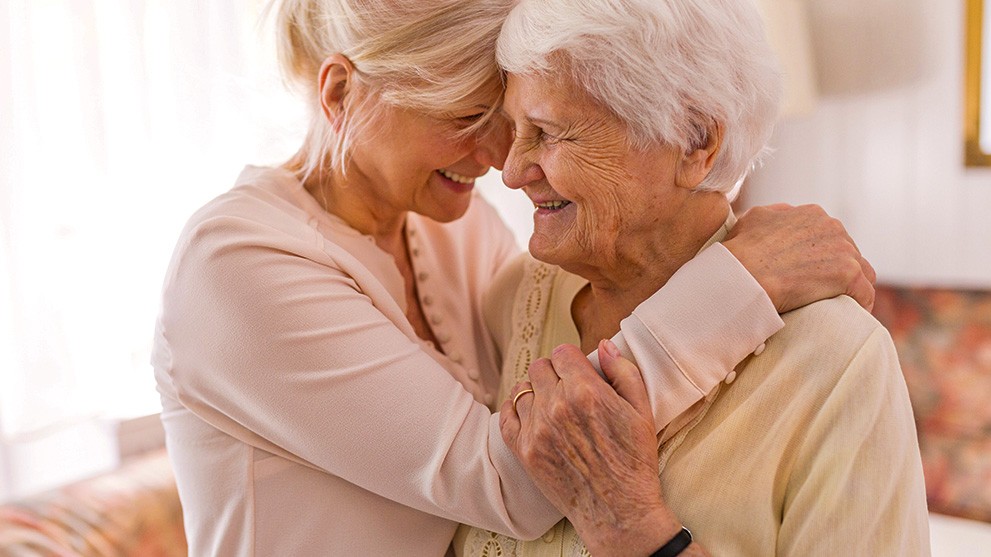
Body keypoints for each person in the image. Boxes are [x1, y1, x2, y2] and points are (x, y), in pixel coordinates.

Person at [152, 0, 878, 554]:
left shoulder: (448, 226)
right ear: (340, 95)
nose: (499, 158)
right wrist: (738, 283)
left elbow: (551, 341)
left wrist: (742, 247)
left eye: (509, 117)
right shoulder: (236, 265)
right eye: (468, 116)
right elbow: (513, 474)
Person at [455, 0, 931, 555]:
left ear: (694, 140)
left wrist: (629, 525)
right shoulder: (513, 298)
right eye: (515, 129)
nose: (512, 172)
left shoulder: (839, 361)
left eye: (549, 132)